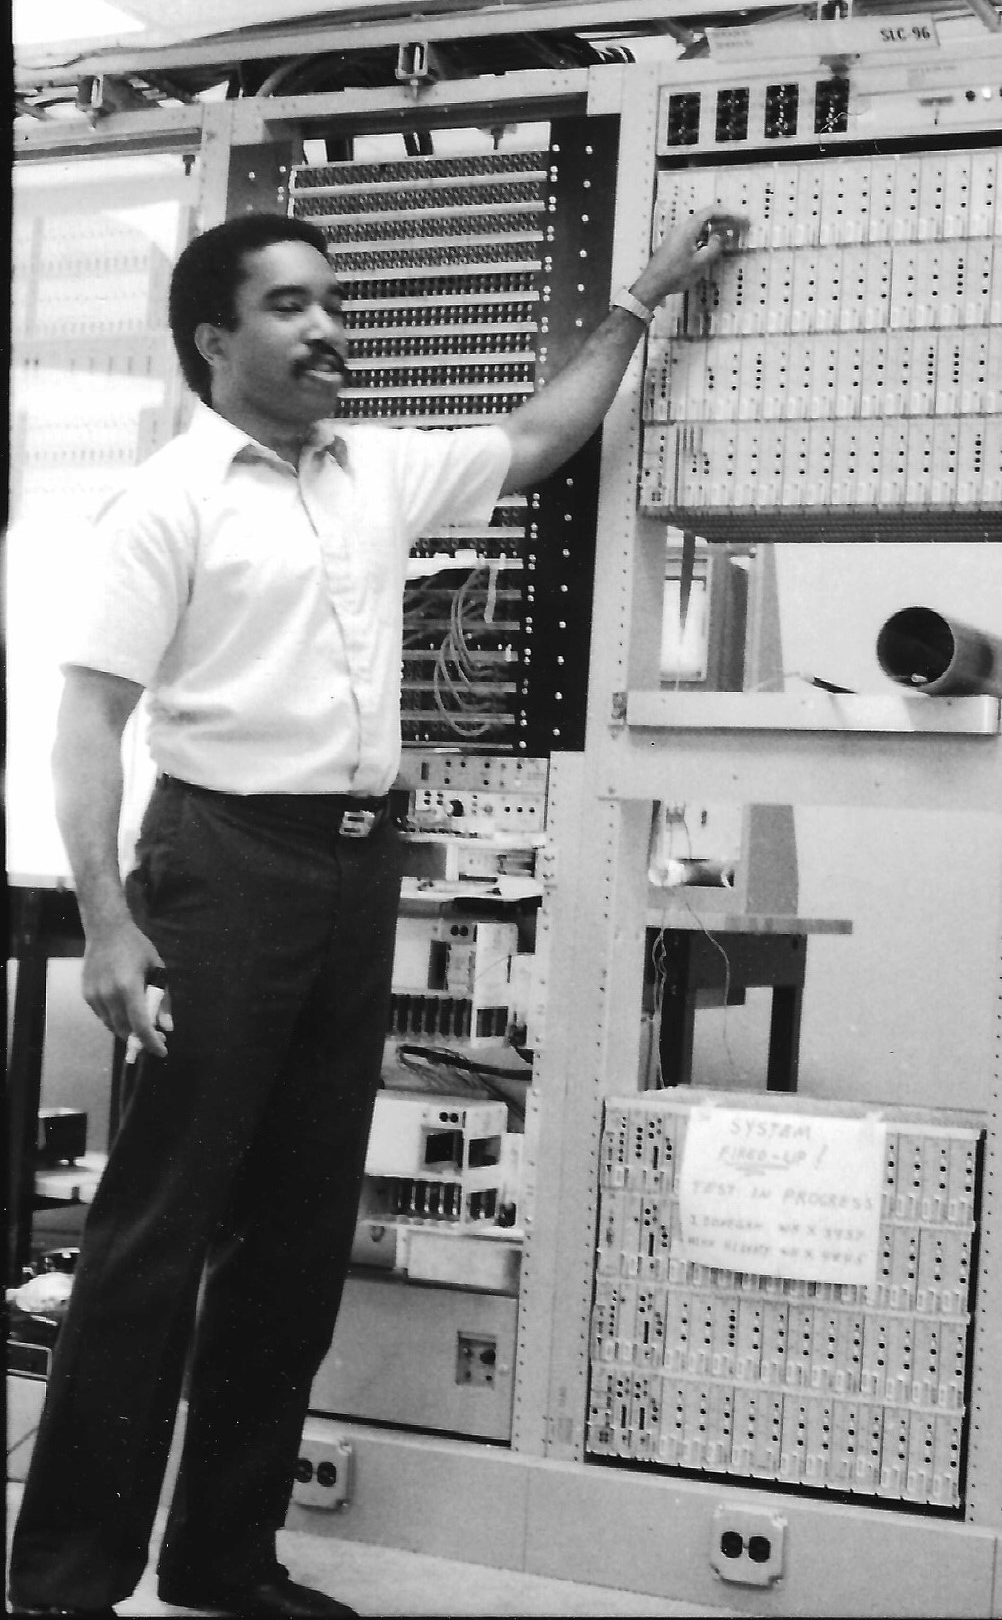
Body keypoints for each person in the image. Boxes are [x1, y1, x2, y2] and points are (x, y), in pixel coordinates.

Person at [7, 201, 732, 1619]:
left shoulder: (374, 473)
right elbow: (87, 721)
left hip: (353, 871)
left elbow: (536, 439)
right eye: (289, 304)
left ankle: (222, 1556)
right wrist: (107, 917)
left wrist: (640, 302)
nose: (327, 326)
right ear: (215, 338)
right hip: (217, 865)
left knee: (292, 1238)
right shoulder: (167, 499)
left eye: (330, 301)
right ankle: (67, 1580)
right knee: (158, 1231)